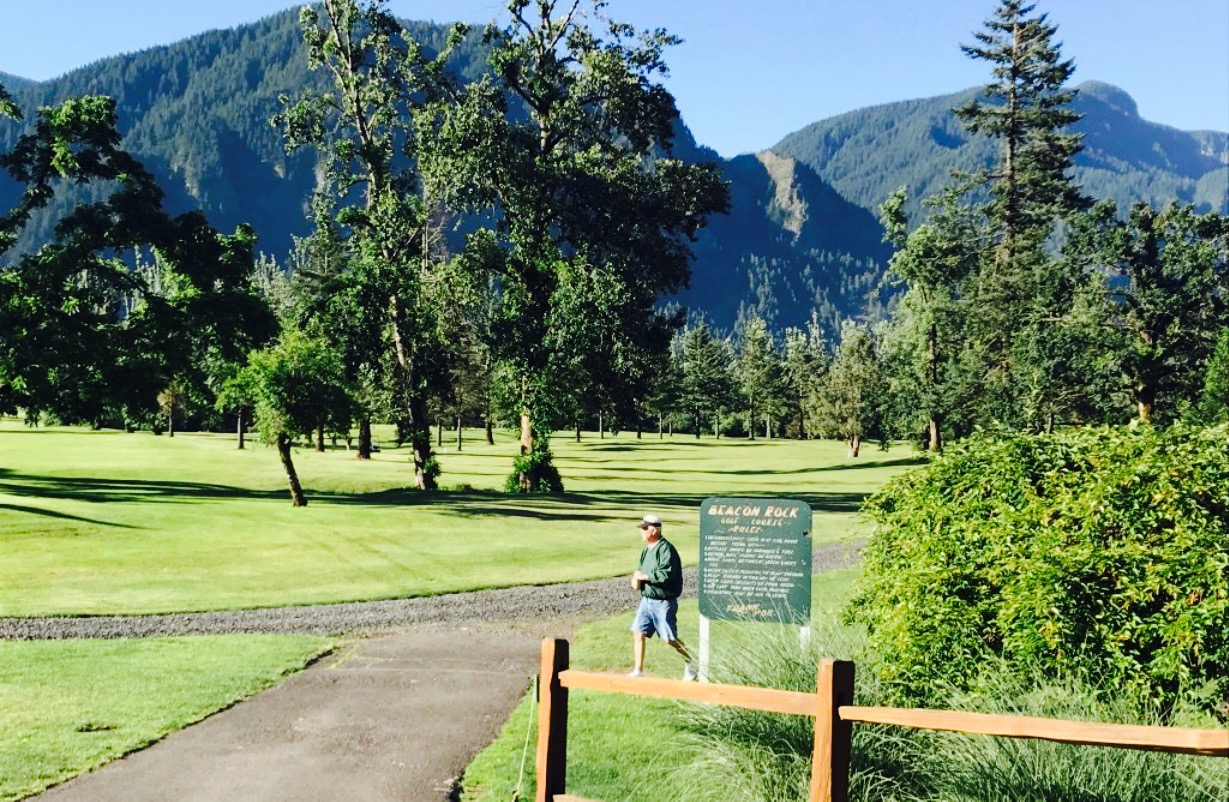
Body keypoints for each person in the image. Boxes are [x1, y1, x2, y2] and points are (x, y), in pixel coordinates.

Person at [628, 513, 697, 680]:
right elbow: (639, 571)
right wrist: (636, 579)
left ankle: (691, 662)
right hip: (647, 600)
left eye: (644, 528)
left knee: (669, 639)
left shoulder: (666, 550)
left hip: (663, 602)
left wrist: (644, 577)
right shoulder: (646, 551)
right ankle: (638, 670)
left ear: (654, 530)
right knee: (638, 633)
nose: (642, 532)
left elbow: (666, 574)